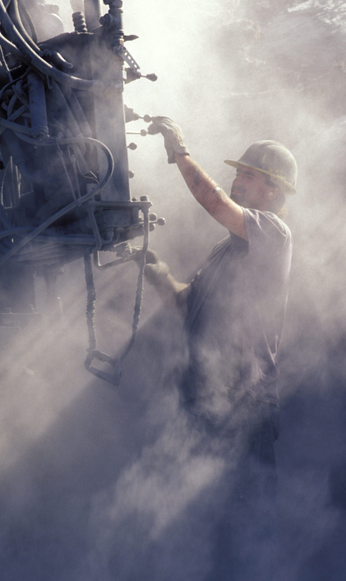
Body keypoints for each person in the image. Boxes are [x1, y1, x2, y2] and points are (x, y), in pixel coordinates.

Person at [145, 117, 297, 580]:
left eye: (249, 176)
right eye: (239, 173)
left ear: (272, 190)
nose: (237, 181)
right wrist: (157, 273)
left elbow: (214, 202)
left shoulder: (272, 233)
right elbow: (186, 304)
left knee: (249, 525)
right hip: (203, 402)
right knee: (205, 523)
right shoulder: (225, 251)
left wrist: (180, 153)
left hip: (243, 405)